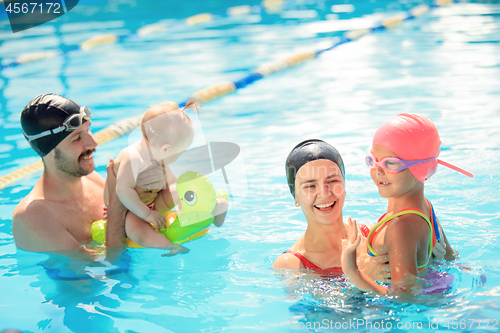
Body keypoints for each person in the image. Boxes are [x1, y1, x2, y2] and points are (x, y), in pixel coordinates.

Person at [12, 93, 165, 252]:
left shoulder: (91, 179)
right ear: (47, 151)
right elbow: (106, 271)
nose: (93, 143)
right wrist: (116, 204)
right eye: (77, 138)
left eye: (88, 130)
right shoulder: (33, 217)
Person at [341, 113, 470, 296]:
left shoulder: (399, 227)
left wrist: (354, 273)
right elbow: (450, 257)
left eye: (391, 163)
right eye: (373, 160)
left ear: (421, 167)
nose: (377, 171)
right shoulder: (425, 207)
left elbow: (404, 298)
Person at [106, 100, 228, 251]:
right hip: (129, 210)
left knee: (180, 187)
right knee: (138, 230)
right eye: (180, 152)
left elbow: (173, 183)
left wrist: (186, 197)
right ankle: (168, 246)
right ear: (165, 149)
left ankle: (211, 211)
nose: (180, 156)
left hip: (152, 202)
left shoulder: (157, 155)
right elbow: (123, 191)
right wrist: (147, 214)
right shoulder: (132, 157)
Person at [273, 139, 390, 280]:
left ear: (344, 185)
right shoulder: (291, 265)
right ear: (296, 196)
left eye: (332, 181)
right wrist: (362, 276)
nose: (324, 193)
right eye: (310, 185)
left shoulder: (373, 237)